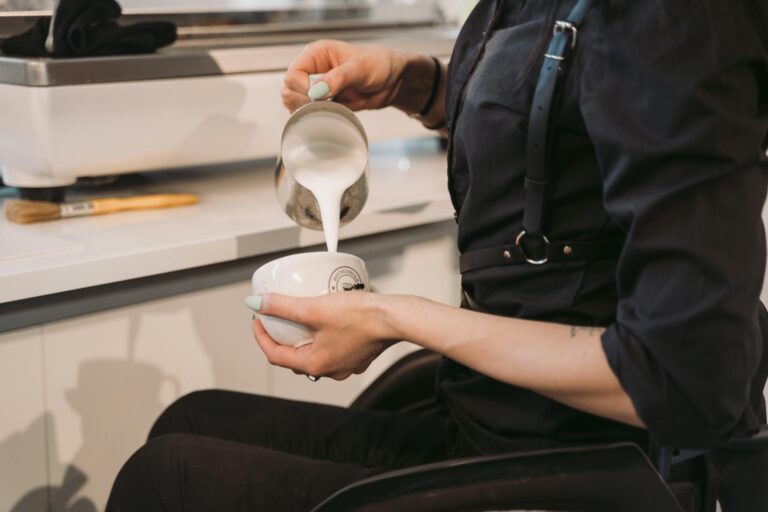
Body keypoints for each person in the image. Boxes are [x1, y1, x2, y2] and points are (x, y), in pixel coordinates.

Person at [107, 0, 768, 510]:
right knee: (189, 419)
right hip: (483, 421)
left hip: (579, 470)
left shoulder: (673, 20)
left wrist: (395, 318)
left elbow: (690, 378)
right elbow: (571, 111)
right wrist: (416, 84)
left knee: (164, 481)